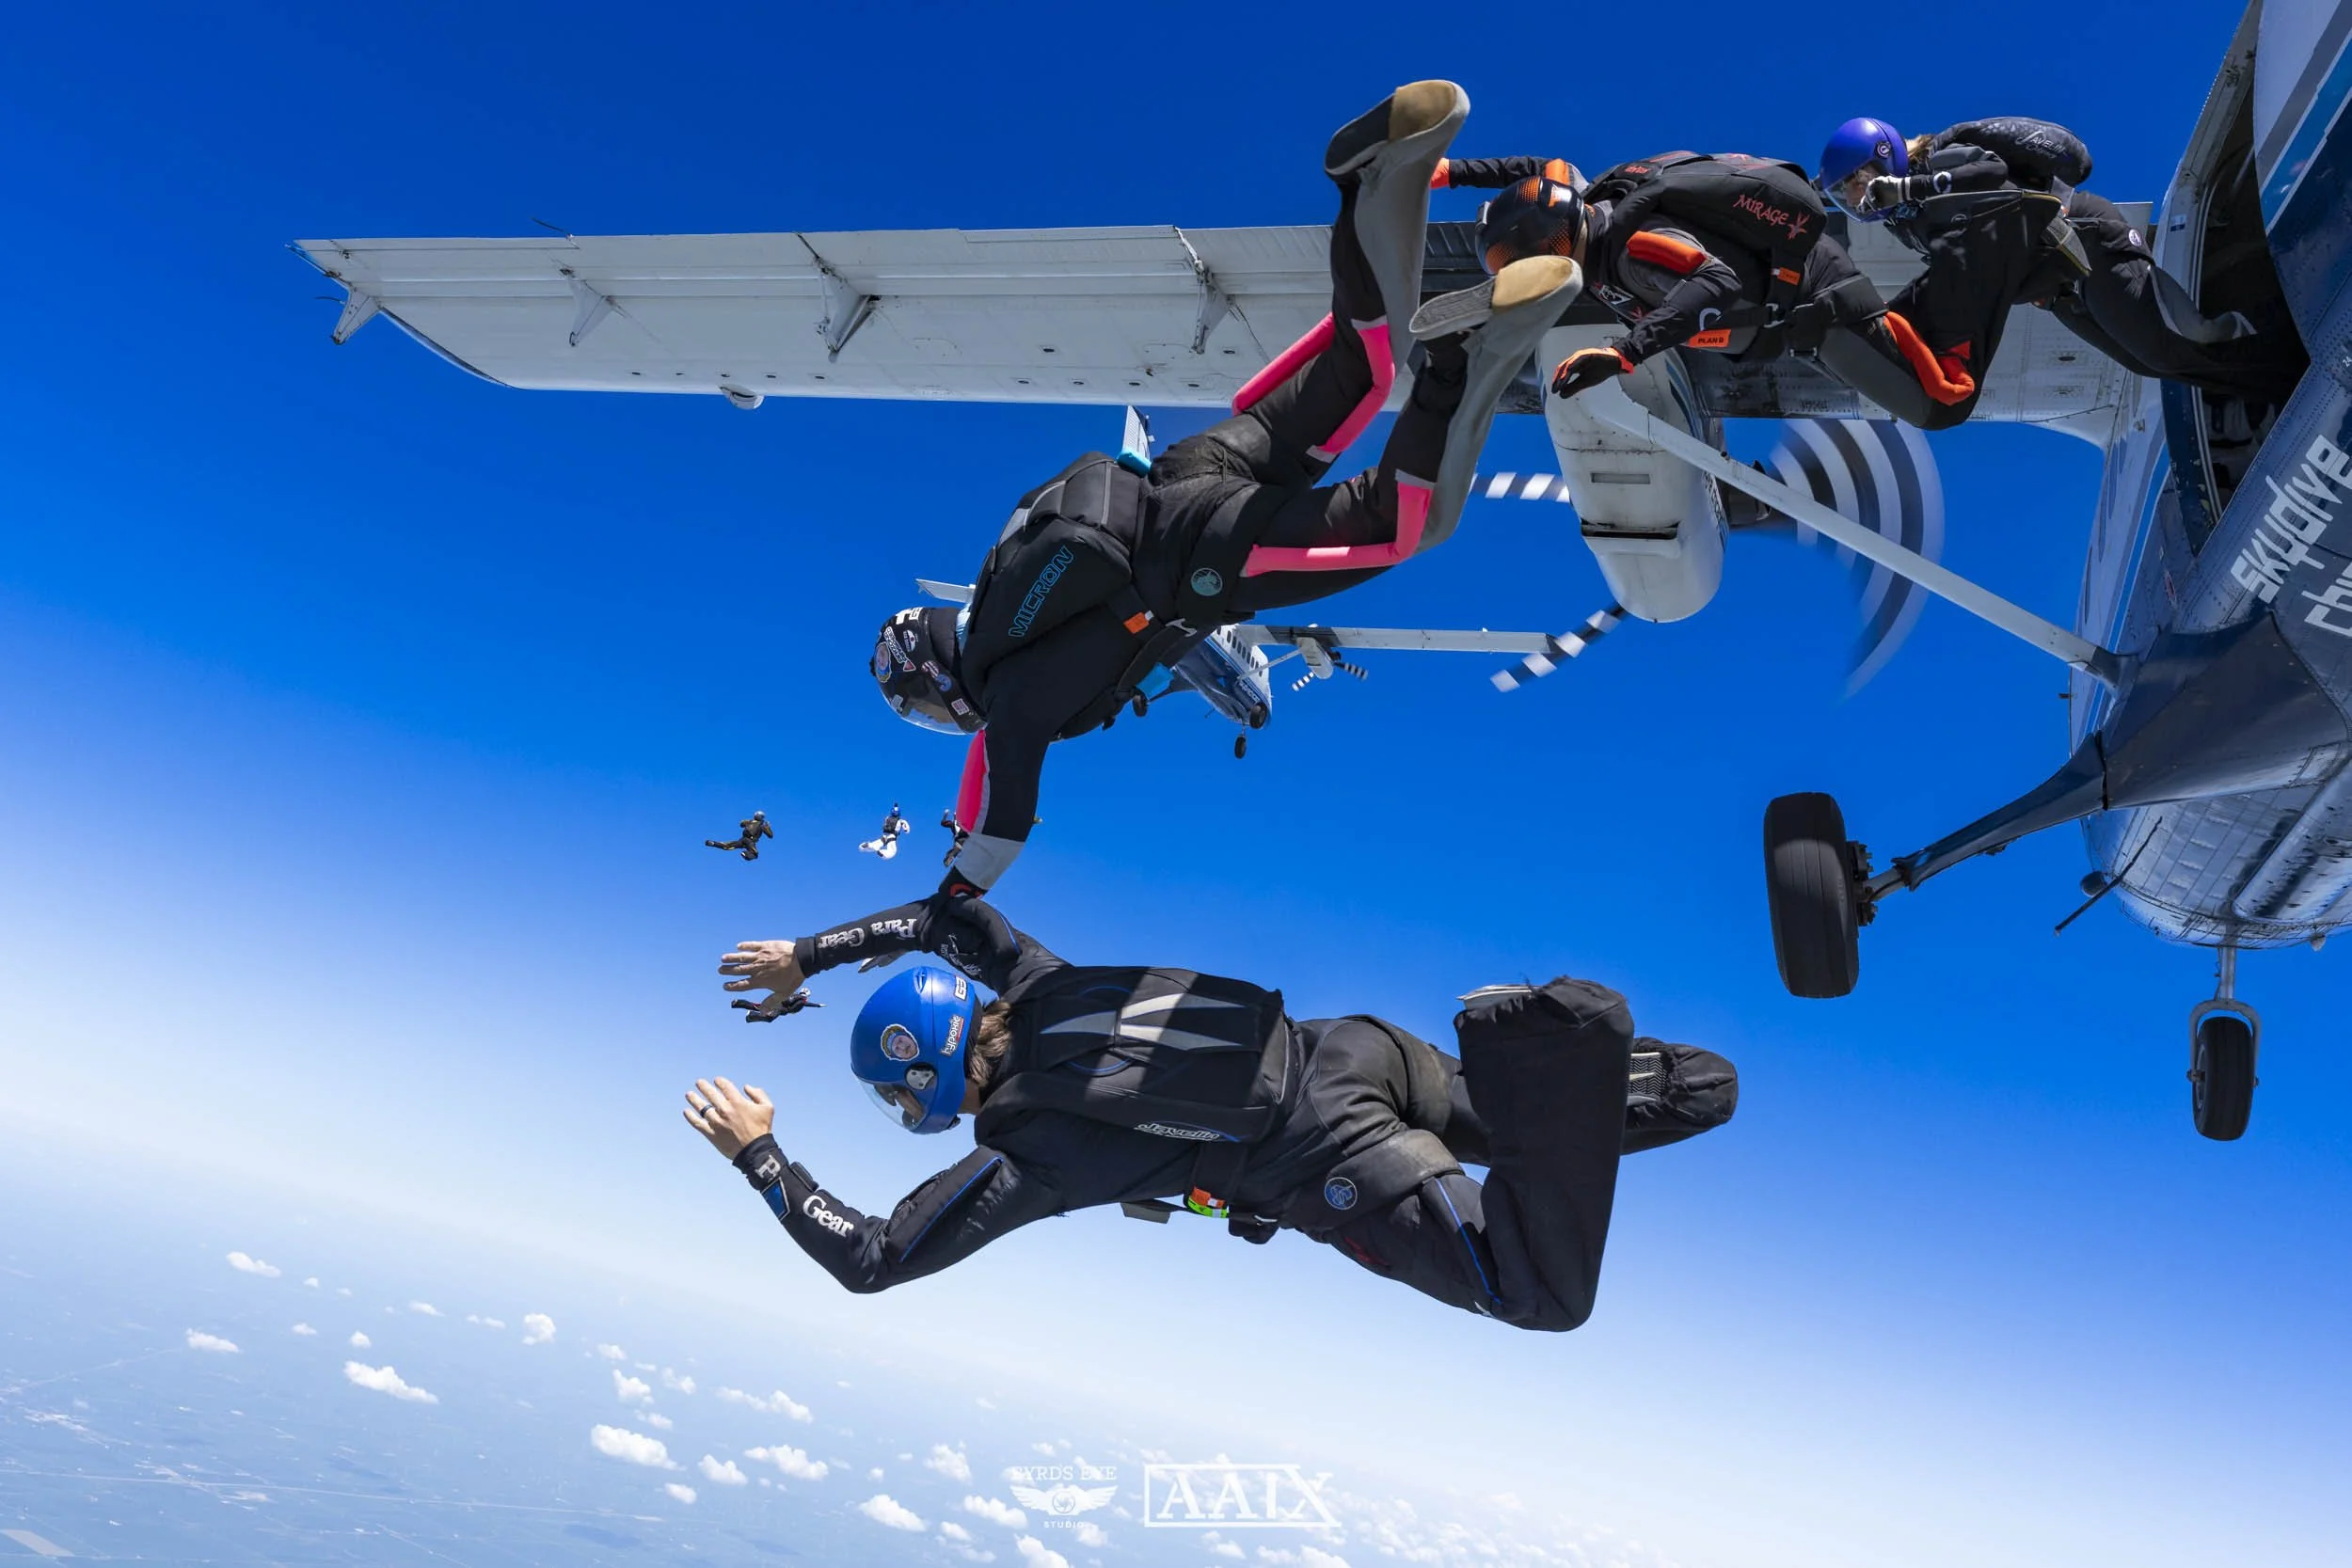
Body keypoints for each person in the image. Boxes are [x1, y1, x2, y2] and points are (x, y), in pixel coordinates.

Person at [871, 81, 1583, 898]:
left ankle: (1469, 351)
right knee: (1362, 369)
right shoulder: (1003, 574)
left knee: (1405, 525)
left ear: (935, 677)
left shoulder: (1009, 701)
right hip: (1188, 468)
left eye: (925, 707)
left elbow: (1005, 821)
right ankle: (1374, 179)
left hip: (1200, 556)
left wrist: (953, 895)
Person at [691, 895, 1737, 1330]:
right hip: (1357, 1047)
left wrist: (761, 1155)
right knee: (1532, 1123)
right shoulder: (1040, 982)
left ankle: (1553, 1041)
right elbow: (943, 915)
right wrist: (805, 957)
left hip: (1333, 1155)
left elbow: (877, 1255)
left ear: (930, 1068)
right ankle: (1669, 1078)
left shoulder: (1026, 1144)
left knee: (1535, 1291)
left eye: (896, 1089)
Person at [1815, 116, 2304, 428]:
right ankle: (2289, 388)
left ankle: (2291, 347)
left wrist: (1910, 187)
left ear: (1884, 157)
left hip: (2085, 239)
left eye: (1859, 181)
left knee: (2171, 341)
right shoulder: (1910, 223)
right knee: (2148, 362)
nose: (1858, 199)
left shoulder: (1941, 159)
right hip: (2061, 290)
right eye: (1845, 195)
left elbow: (1986, 175)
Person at [1442, 151, 1966, 426]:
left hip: (1822, 305)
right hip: (1798, 316)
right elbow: (1535, 171)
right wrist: (1452, 173)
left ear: (1544, 246)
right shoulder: (1591, 198)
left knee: (1937, 406)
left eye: (1512, 262)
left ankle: (1984, 250)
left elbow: (1716, 282)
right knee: (1925, 371)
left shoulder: (1627, 250)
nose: (1515, 273)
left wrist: (1623, 353)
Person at [705, 810, 773, 862]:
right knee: (755, 854)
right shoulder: (762, 826)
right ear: (761, 817)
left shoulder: (750, 821)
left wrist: (747, 822)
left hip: (742, 839)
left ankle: (713, 843)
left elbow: (741, 824)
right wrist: (768, 827)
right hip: (750, 841)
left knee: (728, 846)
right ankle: (745, 854)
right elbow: (770, 835)